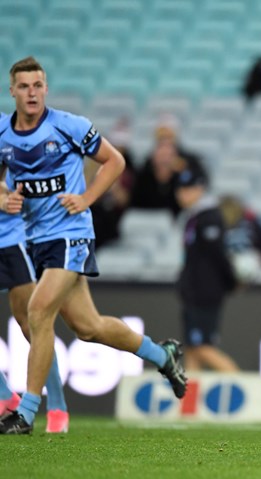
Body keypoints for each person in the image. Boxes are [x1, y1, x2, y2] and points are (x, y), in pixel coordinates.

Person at [0, 57, 187, 435]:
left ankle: (26, 413)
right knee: (89, 327)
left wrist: (86, 198)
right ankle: (162, 354)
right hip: (34, 238)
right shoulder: (4, 133)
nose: (32, 93)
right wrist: (4, 198)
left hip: (71, 235)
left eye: (37, 85)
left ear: (46, 88)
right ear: (13, 91)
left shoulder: (68, 126)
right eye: (24, 87)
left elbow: (114, 161)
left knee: (38, 312)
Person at [0, 208, 69, 433]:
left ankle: (57, 406)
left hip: (8, 240)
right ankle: (4, 396)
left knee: (32, 323)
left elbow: (15, 191)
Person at [175, 169, 239, 372]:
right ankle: (190, 392)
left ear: (200, 189)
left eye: (188, 189)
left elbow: (217, 255)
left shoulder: (209, 217)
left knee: (203, 348)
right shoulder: (194, 217)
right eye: (180, 189)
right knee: (192, 349)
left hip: (204, 292)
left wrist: (230, 280)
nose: (182, 194)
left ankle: (241, 383)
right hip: (194, 291)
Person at [130, 116, 205, 217]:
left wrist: (182, 171)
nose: (165, 141)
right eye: (161, 137)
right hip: (150, 214)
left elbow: (201, 185)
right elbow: (137, 195)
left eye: (168, 136)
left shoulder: (189, 161)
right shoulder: (148, 164)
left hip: (180, 214)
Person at [86, 117, 135, 248]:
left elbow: (124, 200)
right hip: (93, 216)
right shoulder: (93, 168)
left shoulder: (126, 173)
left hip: (110, 221)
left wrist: (112, 180)